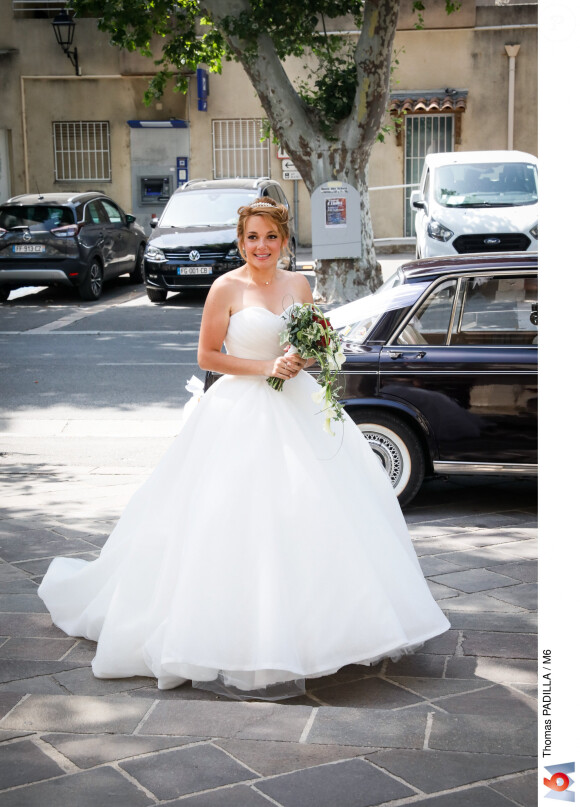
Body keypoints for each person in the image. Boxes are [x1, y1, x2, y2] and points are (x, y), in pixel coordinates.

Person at [38, 198, 450, 700]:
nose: (261, 247)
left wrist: (303, 356)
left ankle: (320, 627)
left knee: (315, 511)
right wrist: (266, 369)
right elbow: (208, 355)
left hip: (296, 407)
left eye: (271, 237)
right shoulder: (224, 288)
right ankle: (232, 633)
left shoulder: (299, 285)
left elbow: (314, 339)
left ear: (284, 241)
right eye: (253, 238)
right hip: (239, 410)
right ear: (241, 242)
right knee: (231, 518)